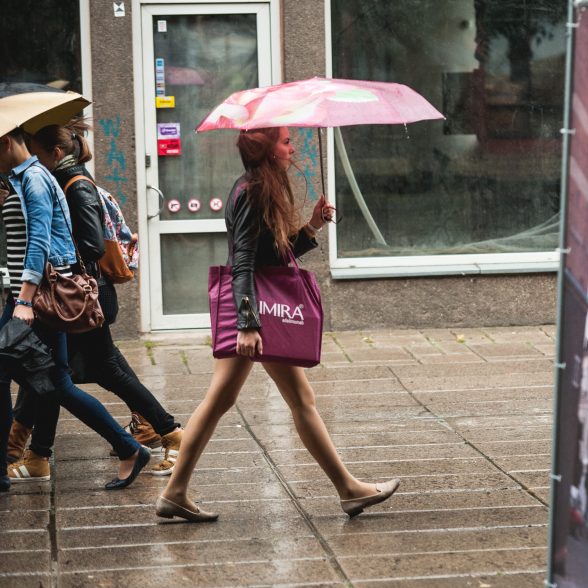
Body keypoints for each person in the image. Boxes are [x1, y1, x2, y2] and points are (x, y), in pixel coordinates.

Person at [156, 126, 398, 521]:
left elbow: (274, 255)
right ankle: (349, 489)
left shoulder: (257, 187)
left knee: (224, 400)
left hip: (254, 312)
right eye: (285, 141)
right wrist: (248, 324)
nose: (292, 147)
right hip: (256, 315)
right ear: (268, 151)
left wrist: (313, 226)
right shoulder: (252, 192)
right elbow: (245, 263)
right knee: (295, 401)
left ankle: (175, 491)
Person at [5, 120, 183, 483]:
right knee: (56, 377)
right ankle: (39, 453)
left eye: (41, 152)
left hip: (72, 296)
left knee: (86, 373)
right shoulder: (44, 179)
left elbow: (88, 245)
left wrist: (49, 279)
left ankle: (161, 433)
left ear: (54, 153)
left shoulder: (66, 184)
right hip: (65, 294)